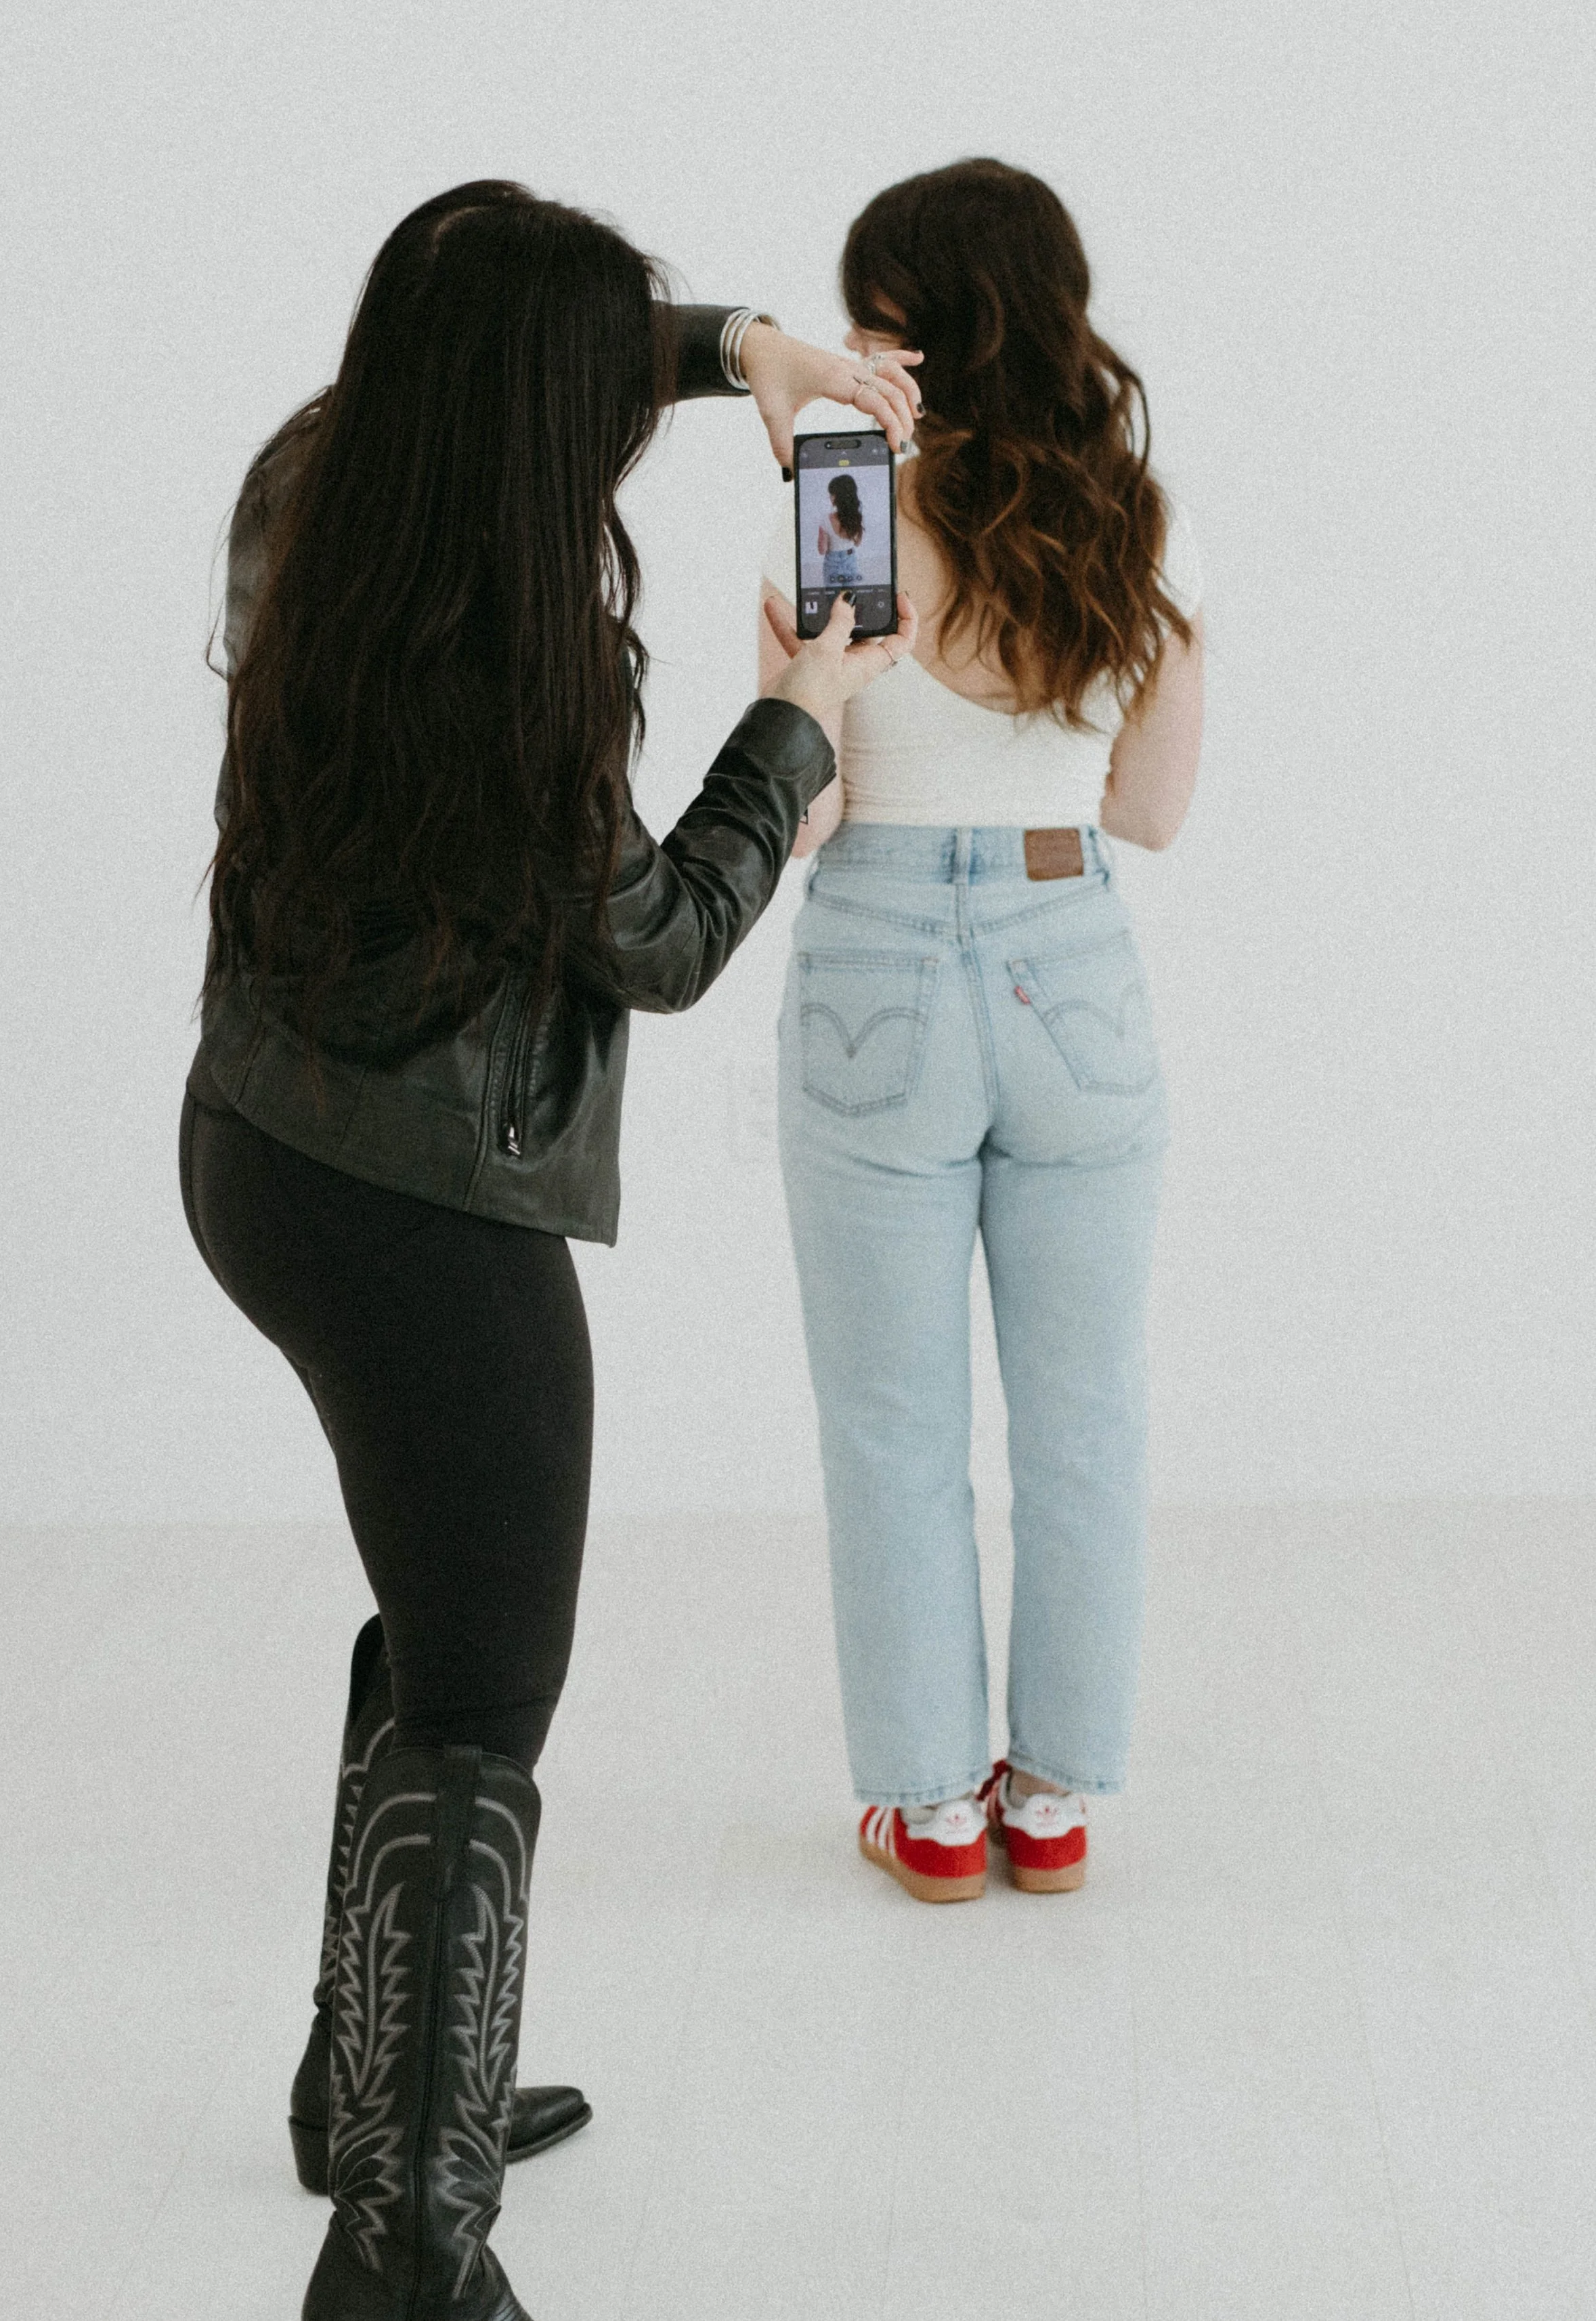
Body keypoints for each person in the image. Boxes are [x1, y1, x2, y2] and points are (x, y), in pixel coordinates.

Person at [181, 179, 918, 2321]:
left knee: (433, 1615)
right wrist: (798, 728)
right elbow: (657, 944)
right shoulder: (519, 664)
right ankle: (408, 2240)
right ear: (542, 416)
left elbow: (492, 351)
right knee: (487, 1686)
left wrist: (743, 351)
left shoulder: (310, 500)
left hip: (255, 1152)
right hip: (428, 1212)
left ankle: (373, 2089)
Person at [760, 159, 1204, 1908]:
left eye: (872, 312)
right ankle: (1058, 1800)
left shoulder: (847, 494)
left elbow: (797, 814)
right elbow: (1151, 813)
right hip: (1071, 963)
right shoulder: (1122, 519)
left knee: (890, 1419)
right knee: (1083, 1413)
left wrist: (787, 658)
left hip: (876, 954)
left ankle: (933, 1809)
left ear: (923, 329)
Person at [817, 473, 865, 584]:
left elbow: (822, 550)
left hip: (832, 562)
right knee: (850, 598)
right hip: (850, 559)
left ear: (836, 496)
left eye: (831, 494)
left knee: (833, 599)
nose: (830, 497)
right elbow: (858, 543)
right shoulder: (858, 518)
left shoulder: (826, 519)